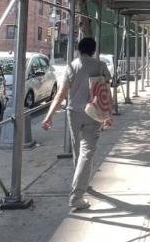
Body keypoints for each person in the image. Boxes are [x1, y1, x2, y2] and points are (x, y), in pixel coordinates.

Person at [42, 37, 111, 212]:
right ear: (94, 50)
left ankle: (82, 184)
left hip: (73, 113)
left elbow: (60, 95)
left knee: (78, 150)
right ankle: (77, 196)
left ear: (79, 50)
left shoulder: (71, 66)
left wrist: (49, 116)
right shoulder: (100, 66)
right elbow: (105, 92)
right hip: (93, 113)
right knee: (87, 152)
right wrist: (107, 114)